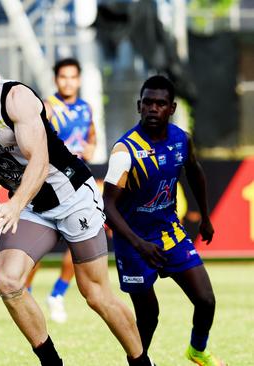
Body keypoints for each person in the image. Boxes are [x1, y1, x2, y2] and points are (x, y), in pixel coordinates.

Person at [0, 32, 152, 366]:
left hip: (72, 195)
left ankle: (143, 362)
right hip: (30, 206)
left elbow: (39, 161)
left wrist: (13, 203)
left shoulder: (16, 98)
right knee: (7, 280)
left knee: (95, 293)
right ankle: (51, 363)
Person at [103, 75, 224, 366]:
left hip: (170, 234)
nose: (153, 109)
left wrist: (205, 216)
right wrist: (138, 244)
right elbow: (107, 205)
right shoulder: (125, 151)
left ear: (171, 108)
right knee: (149, 315)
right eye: (147, 103)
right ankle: (138, 363)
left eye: (160, 104)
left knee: (206, 300)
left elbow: (194, 172)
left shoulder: (181, 139)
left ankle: (197, 350)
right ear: (138, 105)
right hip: (134, 243)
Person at [25, 57, 98, 324]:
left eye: (73, 77)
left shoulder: (86, 108)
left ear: (78, 80)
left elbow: (92, 138)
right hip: (52, 186)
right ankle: (27, 294)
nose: (68, 81)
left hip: (79, 187)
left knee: (79, 249)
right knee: (36, 248)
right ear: (56, 80)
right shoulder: (48, 108)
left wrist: (91, 147)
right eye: (63, 77)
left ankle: (57, 294)